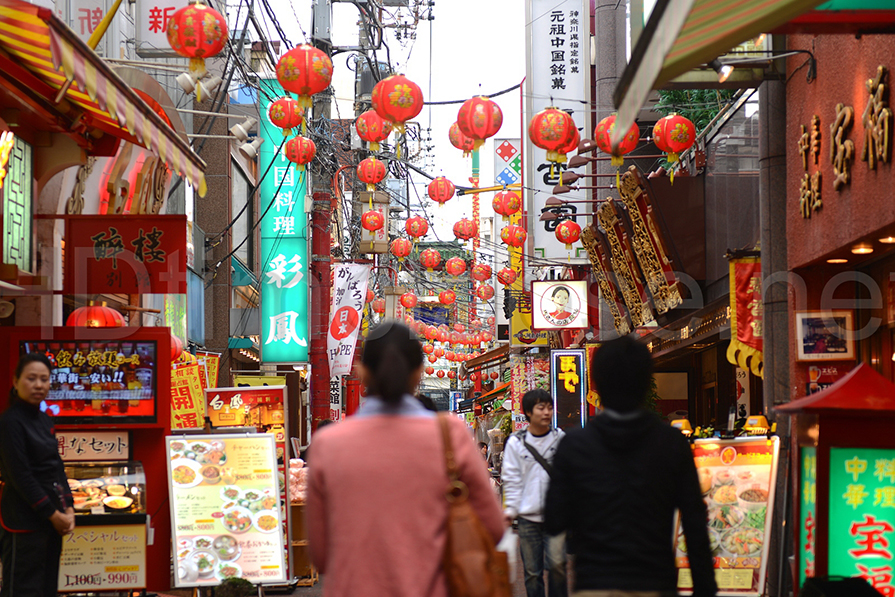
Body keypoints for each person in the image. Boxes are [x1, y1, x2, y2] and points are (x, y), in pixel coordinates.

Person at [307, 322, 504, 596]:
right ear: (419, 372)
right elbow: (493, 527)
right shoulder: (450, 436)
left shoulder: (328, 445)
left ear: (362, 372)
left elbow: (319, 553)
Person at [544, 336, 718, 597]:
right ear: (648, 381)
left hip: (594, 582)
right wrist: (705, 589)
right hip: (654, 582)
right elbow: (694, 523)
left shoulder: (574, 445)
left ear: (598, 384)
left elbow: (555, 520)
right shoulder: (671, 443)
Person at [0, 352, 76, 597]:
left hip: (51, 521)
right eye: (31, 378)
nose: (39, 385)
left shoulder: (44, 419)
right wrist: (53, 514)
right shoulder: (9, 422)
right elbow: (20, 476)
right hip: (22, 520)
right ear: (15, 381)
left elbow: (56, 467)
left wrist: (69, 508)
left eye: (44, 379)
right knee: (23, 588)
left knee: (47, 586)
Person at [501, 389, 567, 597]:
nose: (546, 412)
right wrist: (511, 509)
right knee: (531, 573)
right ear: (528, 412)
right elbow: (511, 479)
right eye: (541, 407)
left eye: (549, 407)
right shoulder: (515, 442)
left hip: (555, 517)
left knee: (558, 566)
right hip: (527, 518)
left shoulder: (561, 439)